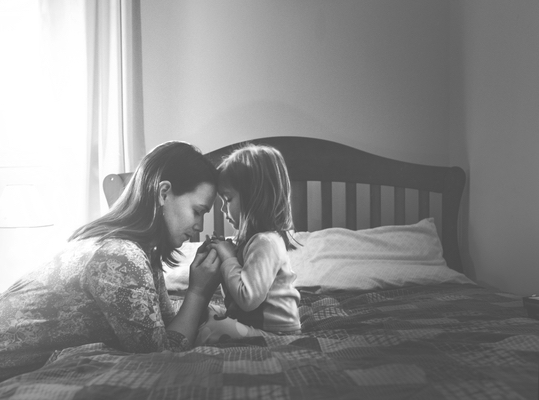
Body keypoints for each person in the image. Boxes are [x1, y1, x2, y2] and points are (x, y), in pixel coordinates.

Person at [0, 141, 222, 382]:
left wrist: (208, 304)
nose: (200, 226)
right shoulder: (120, 257)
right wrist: (198, 292)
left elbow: (165, 322)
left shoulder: (138, 251)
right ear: (163, 193)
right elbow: (161, 358)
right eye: (198, 211)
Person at [195, 144, 301, 345]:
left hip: (276, 336)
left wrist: (229, 259)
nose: (223, 211)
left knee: (209, 330)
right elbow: (235, 299)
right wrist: (224, 258)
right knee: (204, 312)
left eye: (228, 199)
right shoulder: (253, 242)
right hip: (255, 326)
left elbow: (247, 299)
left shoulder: (266, 243)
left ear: (254, 196)